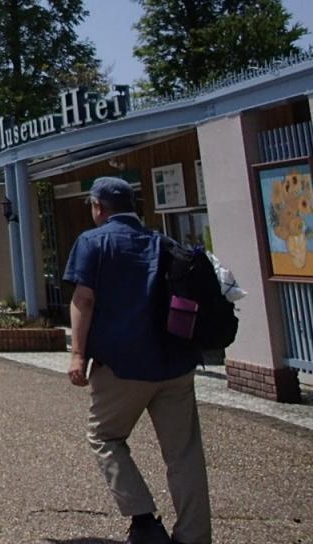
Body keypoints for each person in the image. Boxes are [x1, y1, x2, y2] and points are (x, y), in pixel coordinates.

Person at [64, 177, 209, 544]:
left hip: (123, 364)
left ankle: (144, 521)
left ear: (98, 207)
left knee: (105, 436)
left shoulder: (93, 242)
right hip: (176, 363)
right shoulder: (164, 241)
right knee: (184, 454)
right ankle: (193, 536)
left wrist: (78, 355)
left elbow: (84, 299)